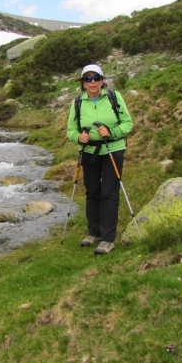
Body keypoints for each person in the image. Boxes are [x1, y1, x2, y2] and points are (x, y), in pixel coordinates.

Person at [66, 64, 134, 255]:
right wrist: (78, 138)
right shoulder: (78, 103)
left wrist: (111, 132)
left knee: (109, 193)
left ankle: (107, 239)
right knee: (92, 191)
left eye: (96, 78)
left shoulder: (114, 97)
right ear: (83, 83)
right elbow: (71, 130)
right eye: (88, 79)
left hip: (113, 149)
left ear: (103, 80)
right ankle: (93, 232)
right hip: (89, 151)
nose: (92, 82)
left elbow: (127, 123)